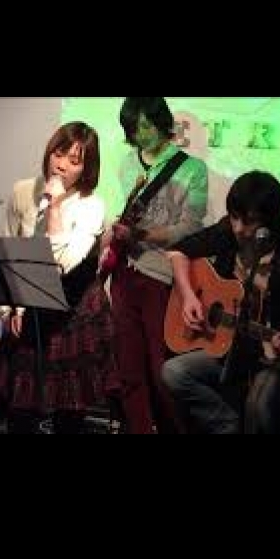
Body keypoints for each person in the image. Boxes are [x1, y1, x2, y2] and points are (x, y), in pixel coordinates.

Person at [161, 170, 280, 434]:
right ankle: (227, 425)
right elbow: (178, 251)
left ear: (271, 222)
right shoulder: (228, 232)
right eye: (234, 217)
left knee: (259, 403)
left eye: (249, 222)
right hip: (229, 347)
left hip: (271, 355)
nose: (238, 228)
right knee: (174, 372)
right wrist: (189, 296)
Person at [0, 121, 117, 434]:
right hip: (31, 303)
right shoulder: (23, 191)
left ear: (86, 169)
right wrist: (11, 308)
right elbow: (9, 249)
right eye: (58, 154)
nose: (61, 165)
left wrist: (55, 207)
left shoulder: (92, 206)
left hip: (73, 309)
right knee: (20, 407)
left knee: (69, 410)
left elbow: (62, 262)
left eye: (74, 161)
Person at [104, 97, 208, 434]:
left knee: (161, 364)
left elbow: (190, 228)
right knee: (128, 365)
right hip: (125, 272)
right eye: (133, 128)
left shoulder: (192, 169)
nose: (140, 134)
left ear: (163, 122)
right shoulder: (127, 164)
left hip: (163, 275)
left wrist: (143, 234)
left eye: (147, 125)